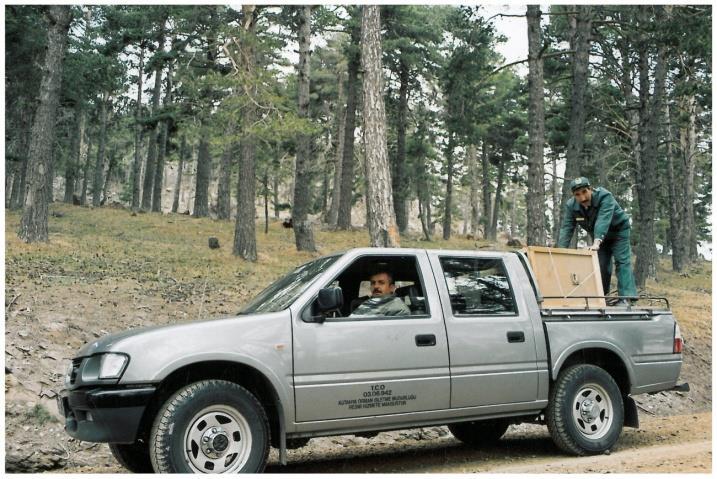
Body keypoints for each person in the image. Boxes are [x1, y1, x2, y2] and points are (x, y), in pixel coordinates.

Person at [557, 177, 638, 304]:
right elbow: (566, 228)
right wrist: (560, 252)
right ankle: (601, 298)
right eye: (577, 195)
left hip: (618, 232)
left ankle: (627, 298)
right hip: (599, 236)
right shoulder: (571, 206)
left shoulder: (605, 197)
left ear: (591, 189)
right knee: (601, 266)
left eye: (584, 192)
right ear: (573, 196)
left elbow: (603, 220)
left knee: (622, 262)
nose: (582, 198)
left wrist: (596, 242)